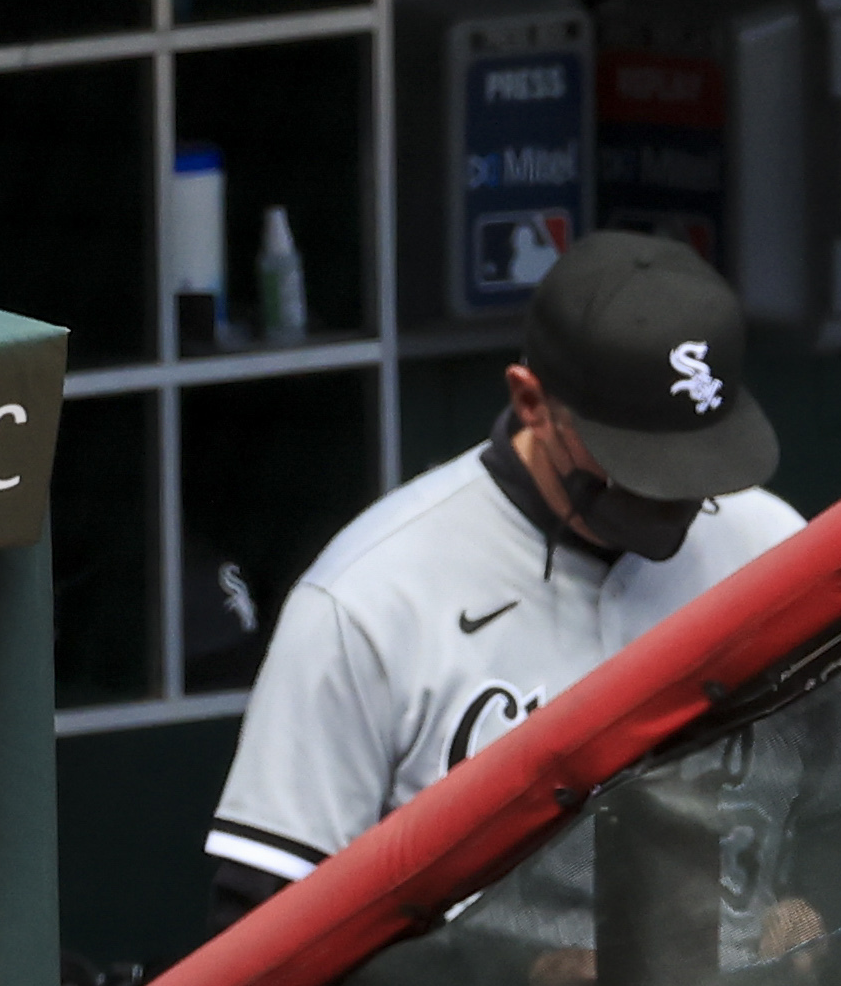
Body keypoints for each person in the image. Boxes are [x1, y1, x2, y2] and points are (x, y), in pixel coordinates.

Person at [201, 233, 806, 928]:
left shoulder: (773, 548)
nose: (674, 497)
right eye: (638, 462)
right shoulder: (369, 599)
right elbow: (265, 929)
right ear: (531, 401)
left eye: (696, 462)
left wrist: (820, 915)